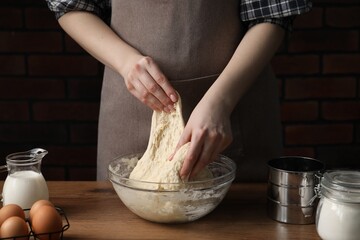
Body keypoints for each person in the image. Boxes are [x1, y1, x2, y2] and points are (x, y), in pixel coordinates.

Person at [46, 0, 312, 181]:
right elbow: (71, 5)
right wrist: (125, 61)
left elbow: (273, 12)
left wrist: (221, 101)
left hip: (234, 105)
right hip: (129, 111)